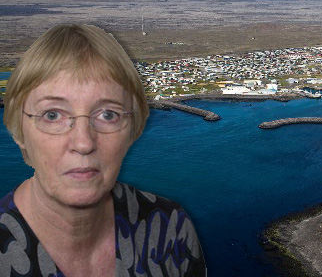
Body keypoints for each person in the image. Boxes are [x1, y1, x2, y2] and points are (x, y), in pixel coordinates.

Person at [1, 24, 206, 276]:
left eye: (108, 114)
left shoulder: (170, 231)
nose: (84, 143)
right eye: (52, 115)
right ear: (18, 129)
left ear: (133, 127)